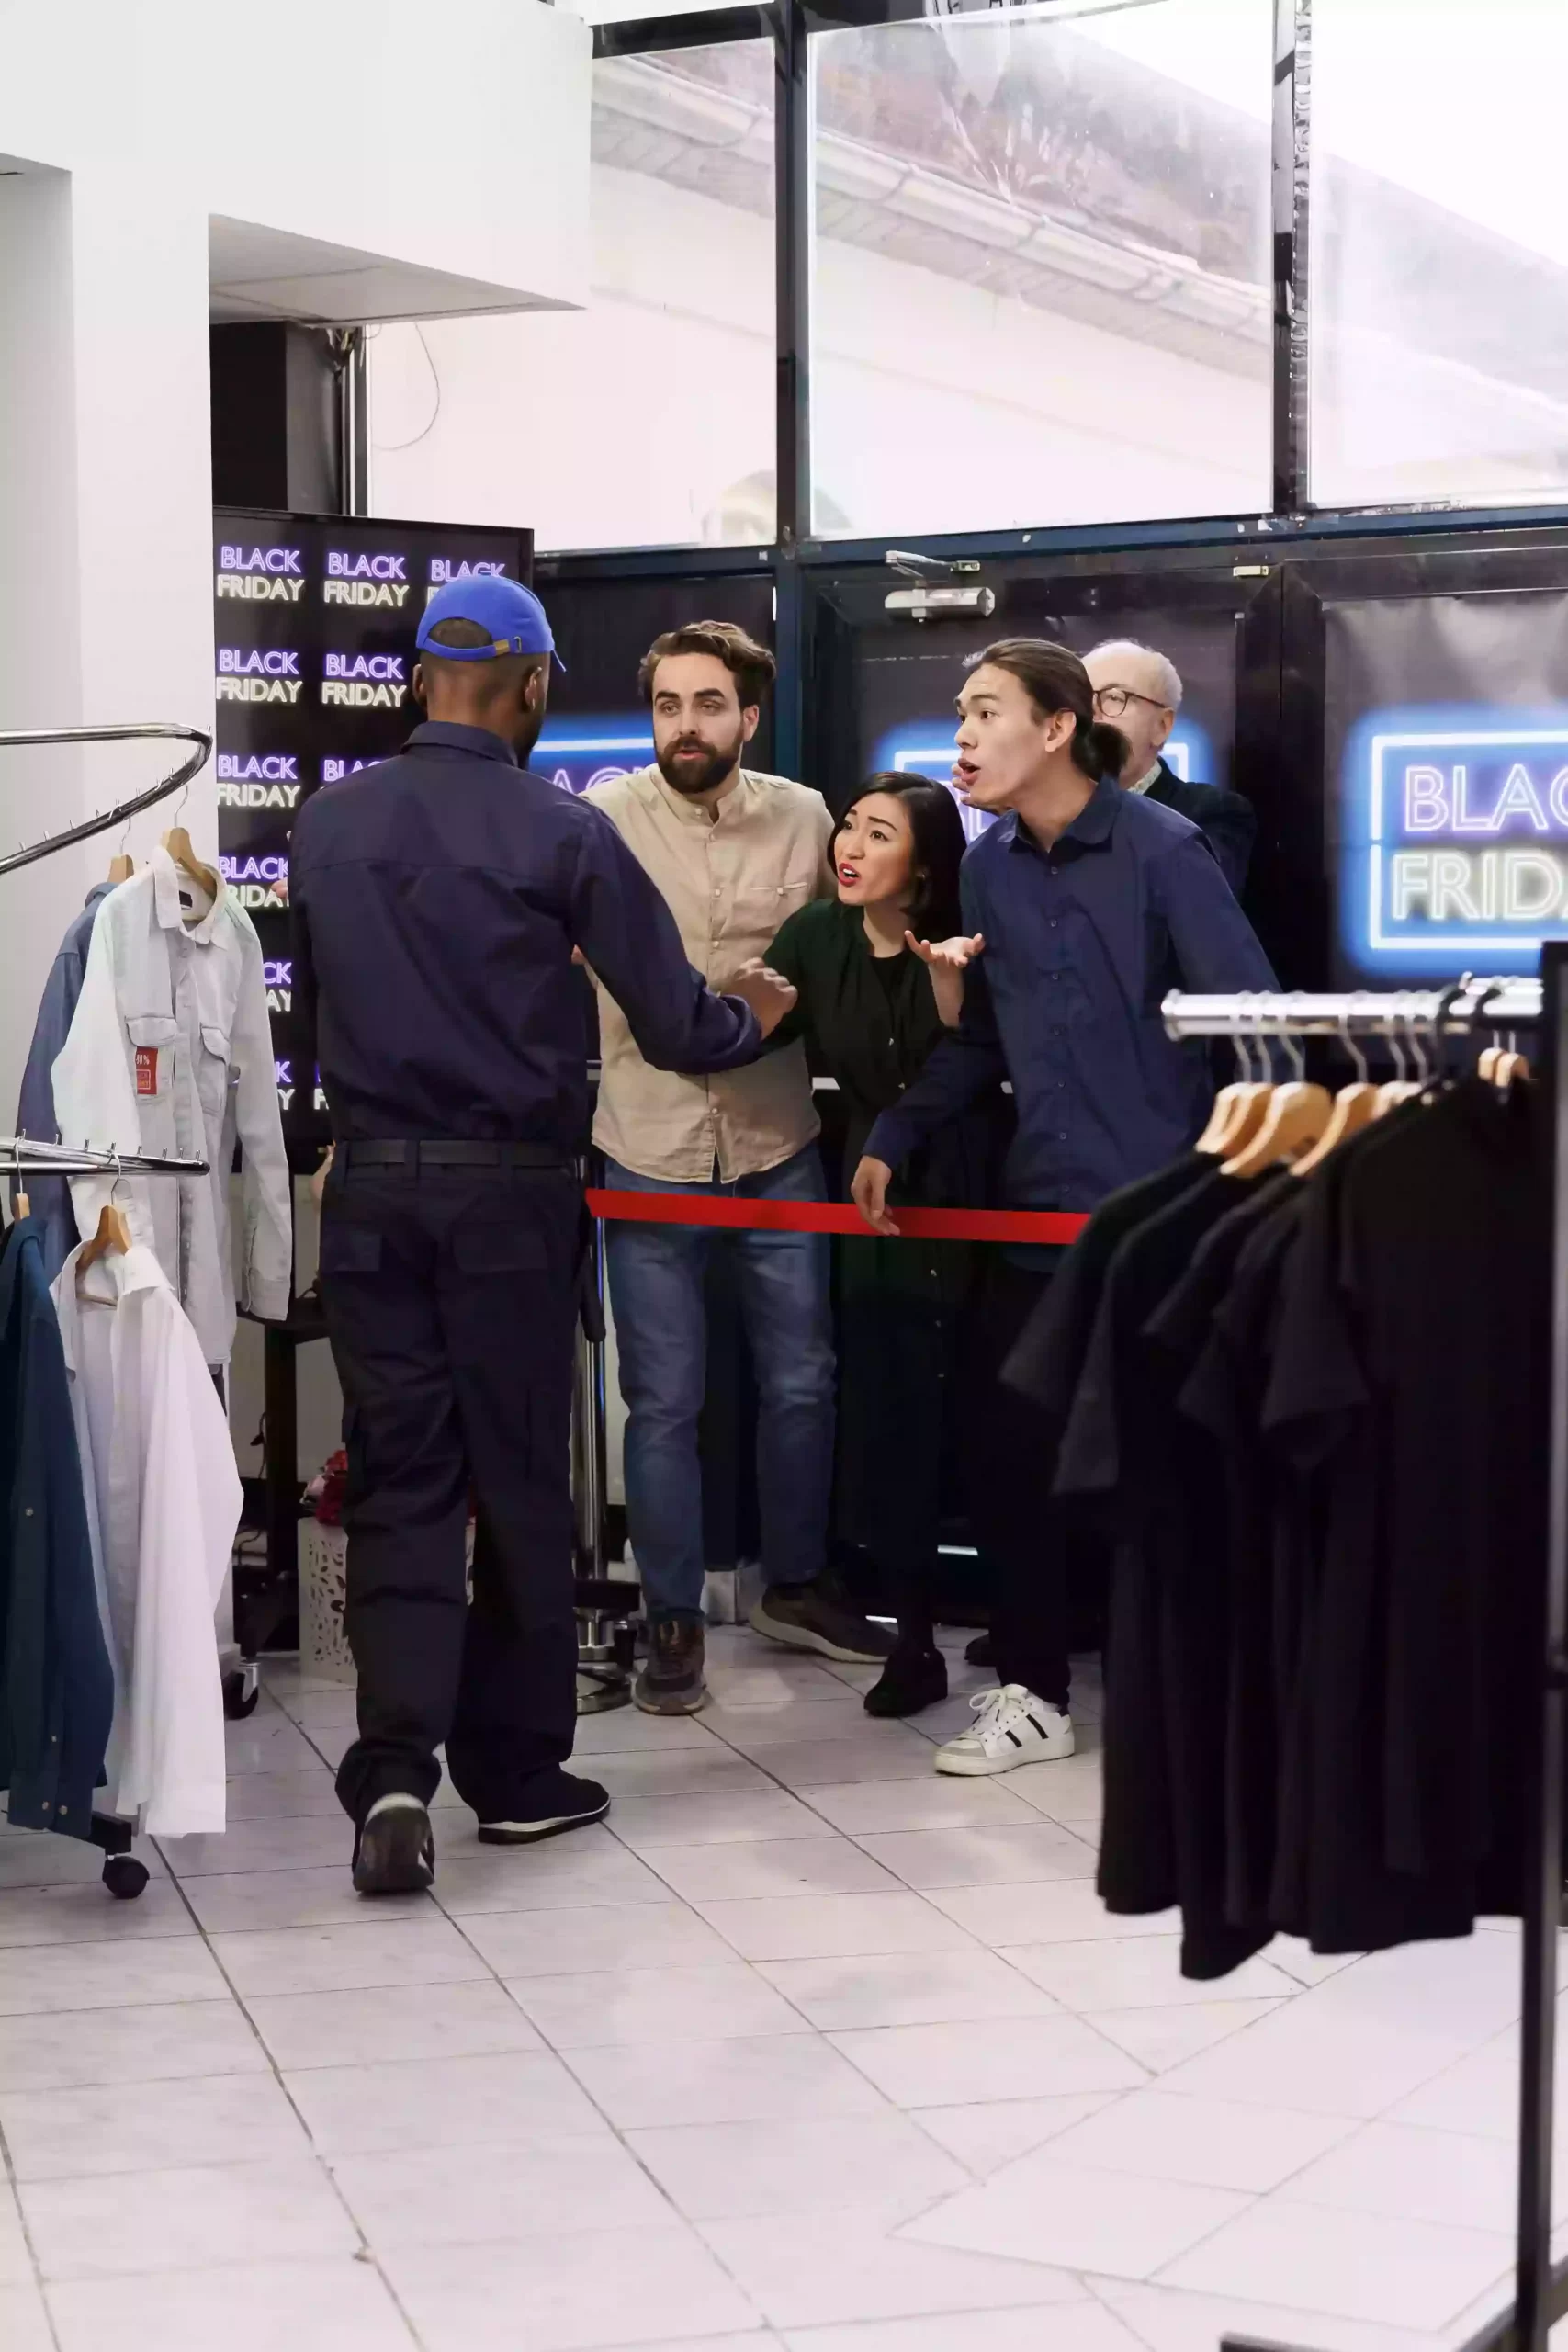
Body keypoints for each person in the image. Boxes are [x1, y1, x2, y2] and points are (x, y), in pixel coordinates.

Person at [289, 578, 796, 1894]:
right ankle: (512, 1779)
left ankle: (392, 1769)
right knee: (515, 1480)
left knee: (400, 1475)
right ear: (529, 687)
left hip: (368, 1195)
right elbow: (681, 1029)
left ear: (415, 681)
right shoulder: (559, 831)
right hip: (506, 1197)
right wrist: (757, 1006)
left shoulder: (325, 825)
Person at [852, 639, 1278, 1779]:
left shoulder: (1166, 850)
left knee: (1174, 1472)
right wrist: (897, 1131)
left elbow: (1254, 1021)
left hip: (1163, 1228)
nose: (962, 734)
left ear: (1056, 728)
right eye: (959, 710)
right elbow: (986, 1035)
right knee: (1006, 1452)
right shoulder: (990, 866)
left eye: (984, 711)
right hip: (1036, 1218)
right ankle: (1033, 1694)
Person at [585, 621, 891, 1717]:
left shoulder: (807, 817)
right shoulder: (603, 821)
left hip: (775, 1145)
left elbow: (851, 949)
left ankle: (793, 1584)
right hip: (646, 1149)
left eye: (708, 704)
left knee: (803, 1378)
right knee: (661, 1400)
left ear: (748, 717)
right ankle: (670, 1613)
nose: (686, 726)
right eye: (668, 705)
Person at [764, 774, 998, 1719]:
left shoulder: (972, 939)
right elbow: (746, 1029)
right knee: (890, 1422)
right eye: (848, 826)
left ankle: (1029, 1622)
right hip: (873, 1209)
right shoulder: (816, 937)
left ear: (928, 867)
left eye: (878, 833)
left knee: (988, 1419)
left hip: (979, 1195)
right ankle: (911, 1640)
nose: (848, 847)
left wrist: (953, 1002)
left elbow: (980, 1058)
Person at [1082, 639, 1256, 895]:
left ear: (1162, 726)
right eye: (1080, 699)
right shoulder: (1036, 816)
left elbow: (1191, 905)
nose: (1093, 714)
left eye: (1114, 698)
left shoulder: (1211, 812)